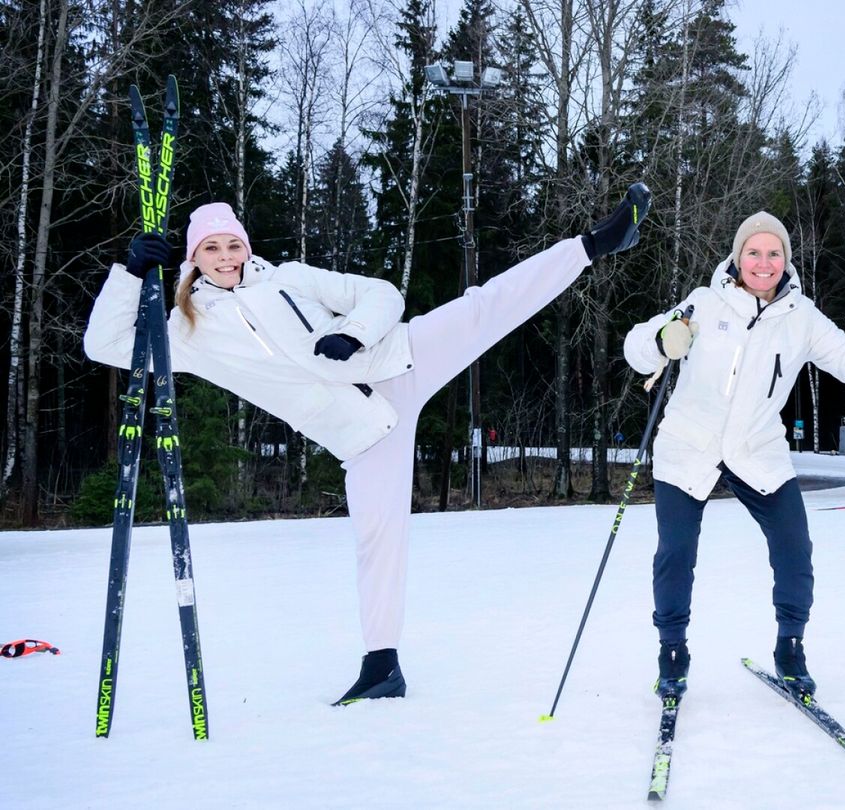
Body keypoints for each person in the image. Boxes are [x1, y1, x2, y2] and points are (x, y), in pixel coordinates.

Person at [85, 184, 653, 705]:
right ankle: (382, 666)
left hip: (396, 362)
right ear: (193, 259)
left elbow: (379, 294)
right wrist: (131, 275)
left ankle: (596, 243)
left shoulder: (288, 277)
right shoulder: (186, 330)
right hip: (360, 437)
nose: (227, 256)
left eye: (233, 243)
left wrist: (352, 332)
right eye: (212, 248)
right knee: (377, 540)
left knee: (485, 308)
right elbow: (105, 345)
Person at [623, 212, 845, 701]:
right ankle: (672, 652)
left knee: (794, 548)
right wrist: (664, 339)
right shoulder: (703, 301)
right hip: (689, 445)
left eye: (774, 253)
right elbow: (638, 347)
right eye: (754, 252)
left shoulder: (801, 316)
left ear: (786, 260)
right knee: (675, 553)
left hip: (757, 448)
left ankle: (791, 648)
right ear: (738, 256)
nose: (763, 263)